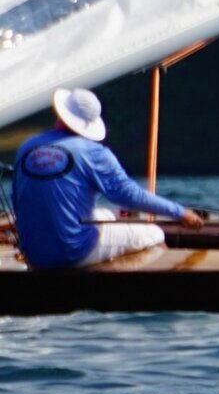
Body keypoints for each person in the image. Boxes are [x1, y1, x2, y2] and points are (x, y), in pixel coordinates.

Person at [8, 88, 199, 271]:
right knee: (155, 234)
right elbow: (128, 195)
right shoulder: (94, 152)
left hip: (33, 254)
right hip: (72, 255)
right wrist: (180, 213)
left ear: (61, 114)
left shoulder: (27, 146)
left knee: (105, 214)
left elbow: (17, 201)